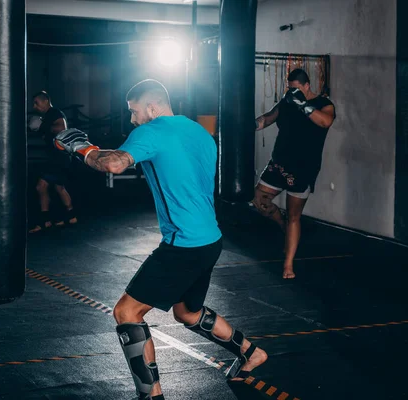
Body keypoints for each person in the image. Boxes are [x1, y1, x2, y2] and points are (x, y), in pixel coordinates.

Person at [54, 79, 267, 400]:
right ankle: (251, 353)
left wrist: (81, 147)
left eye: (135, 111)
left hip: (183, 246)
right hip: (210, 240)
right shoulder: (198, 131)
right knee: (188, 313)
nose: (132, 119)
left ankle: (150, 396)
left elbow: (113, 163)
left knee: (126, 313)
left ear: (152, 108)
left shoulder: (150, 131)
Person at [253, 68, 336, 279]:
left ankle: (288, 265)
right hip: (279, 163)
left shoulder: (323, 104)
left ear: (307, 86)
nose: (292, 93)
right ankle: (280, 224)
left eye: (296, 89)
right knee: (258, 200)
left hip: (303, 168)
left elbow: (325, 122)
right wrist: (248, 125)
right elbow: (268, 118)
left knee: (294, 216)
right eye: (289, 89)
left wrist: (303, 105)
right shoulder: (287, 102)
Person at [29, 91, 78, 233]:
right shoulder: (47, 116)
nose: (34, 106)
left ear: (45, 101)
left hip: (58, 158)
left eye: (36, 102)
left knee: (41, 186)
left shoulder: (54, 113)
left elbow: (61, 128)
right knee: (59, 187)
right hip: (58, 157)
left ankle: (44, 222)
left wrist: (42, 127)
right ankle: (71, 216)